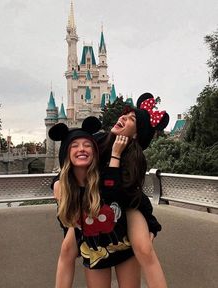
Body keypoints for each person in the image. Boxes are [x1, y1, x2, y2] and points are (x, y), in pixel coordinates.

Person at [51, 92, 169, 288]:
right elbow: (74, 160)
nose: (123, 117)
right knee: (67, 250)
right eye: (125, 114)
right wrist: (57, 181)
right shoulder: (99, 139)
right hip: (91, 206)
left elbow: (128, 196)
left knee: (144, 249)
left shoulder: (133, 158)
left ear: (137, 133)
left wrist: (151, 223)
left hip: (120, 207)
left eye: (132, 119)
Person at [49, 116, 141, 288]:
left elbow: (134, 195)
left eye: (87, 145)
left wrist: (151, 224)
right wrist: (56, 181)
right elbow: (67, 246)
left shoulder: (105, 177)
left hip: (123, 246)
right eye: (74, 146)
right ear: (66, 153)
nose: (81, 149)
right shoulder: (68, 193)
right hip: (95, 252)